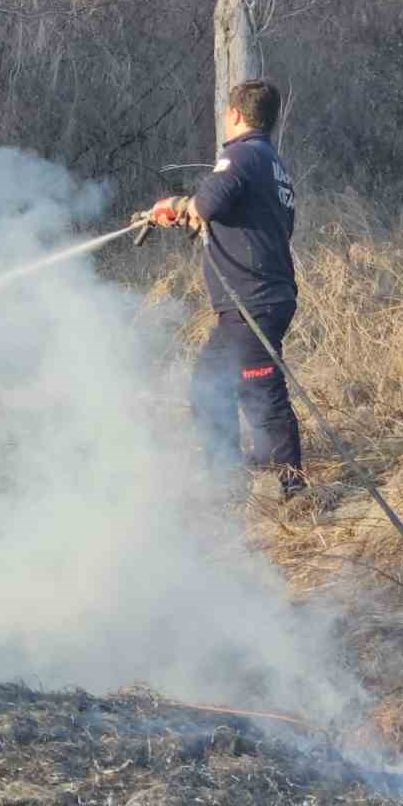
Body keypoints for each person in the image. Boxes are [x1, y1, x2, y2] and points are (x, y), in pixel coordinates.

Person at [148, 80, 303, 499]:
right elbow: (261, 220)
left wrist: (178, 207)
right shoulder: (273, 164)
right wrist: (193, 214)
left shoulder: (239, 155)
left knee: (263, 392)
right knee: (208, 385)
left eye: (224, 113)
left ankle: (294, 491)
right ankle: (225, 478)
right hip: (260, 299)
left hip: (251, 301)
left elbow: (208, 203)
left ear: (235, 114)